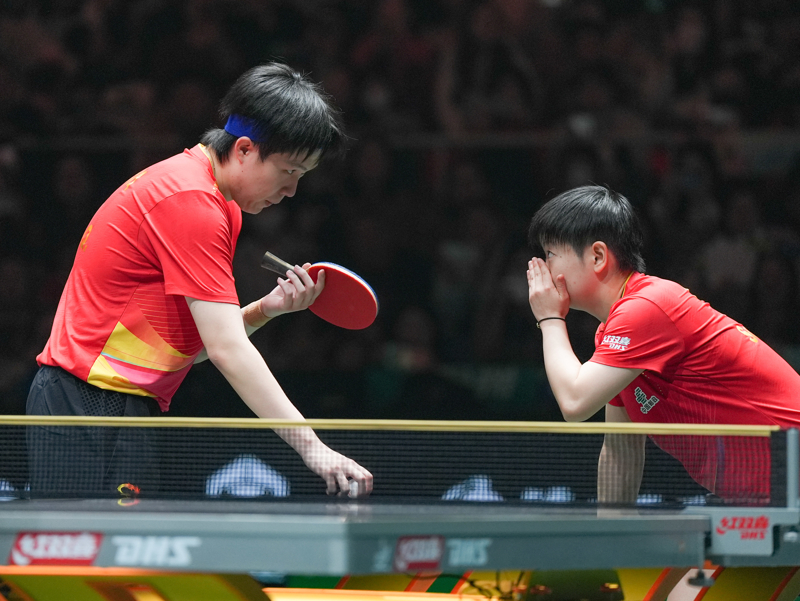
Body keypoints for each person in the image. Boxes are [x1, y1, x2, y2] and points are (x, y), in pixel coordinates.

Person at [27, 63, 373, 499]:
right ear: (244, 149)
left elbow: (193, 350)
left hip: (117, 404)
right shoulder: (191, 201)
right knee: (78, 545)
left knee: (125, 545)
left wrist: (265, 310)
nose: (291, 191)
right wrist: (313, 448)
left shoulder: (217, 202)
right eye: (289, 171)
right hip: (86, 404)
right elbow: (228, 350)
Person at [525, 185, 800, 505]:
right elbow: (621, 450)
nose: (543, 268)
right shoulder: (616, 330)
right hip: (768, 494)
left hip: (789, 478)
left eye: (550, 255)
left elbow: (575, 401)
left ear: (597, 256)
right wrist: (611, 535)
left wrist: (550, 318)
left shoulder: (647, 307)